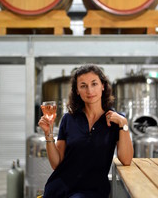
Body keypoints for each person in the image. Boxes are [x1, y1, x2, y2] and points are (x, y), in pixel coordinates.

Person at [38, 64, 133, 198]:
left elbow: (126, 160)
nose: (89, 90)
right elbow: (56, 164)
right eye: (83, 86)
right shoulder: (68, 119)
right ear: (77, 90)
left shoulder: (115, 120)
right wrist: (48, 133)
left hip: (91, 191)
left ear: (103, 86)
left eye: (94, 84)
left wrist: (124, 124)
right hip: (60, 187)